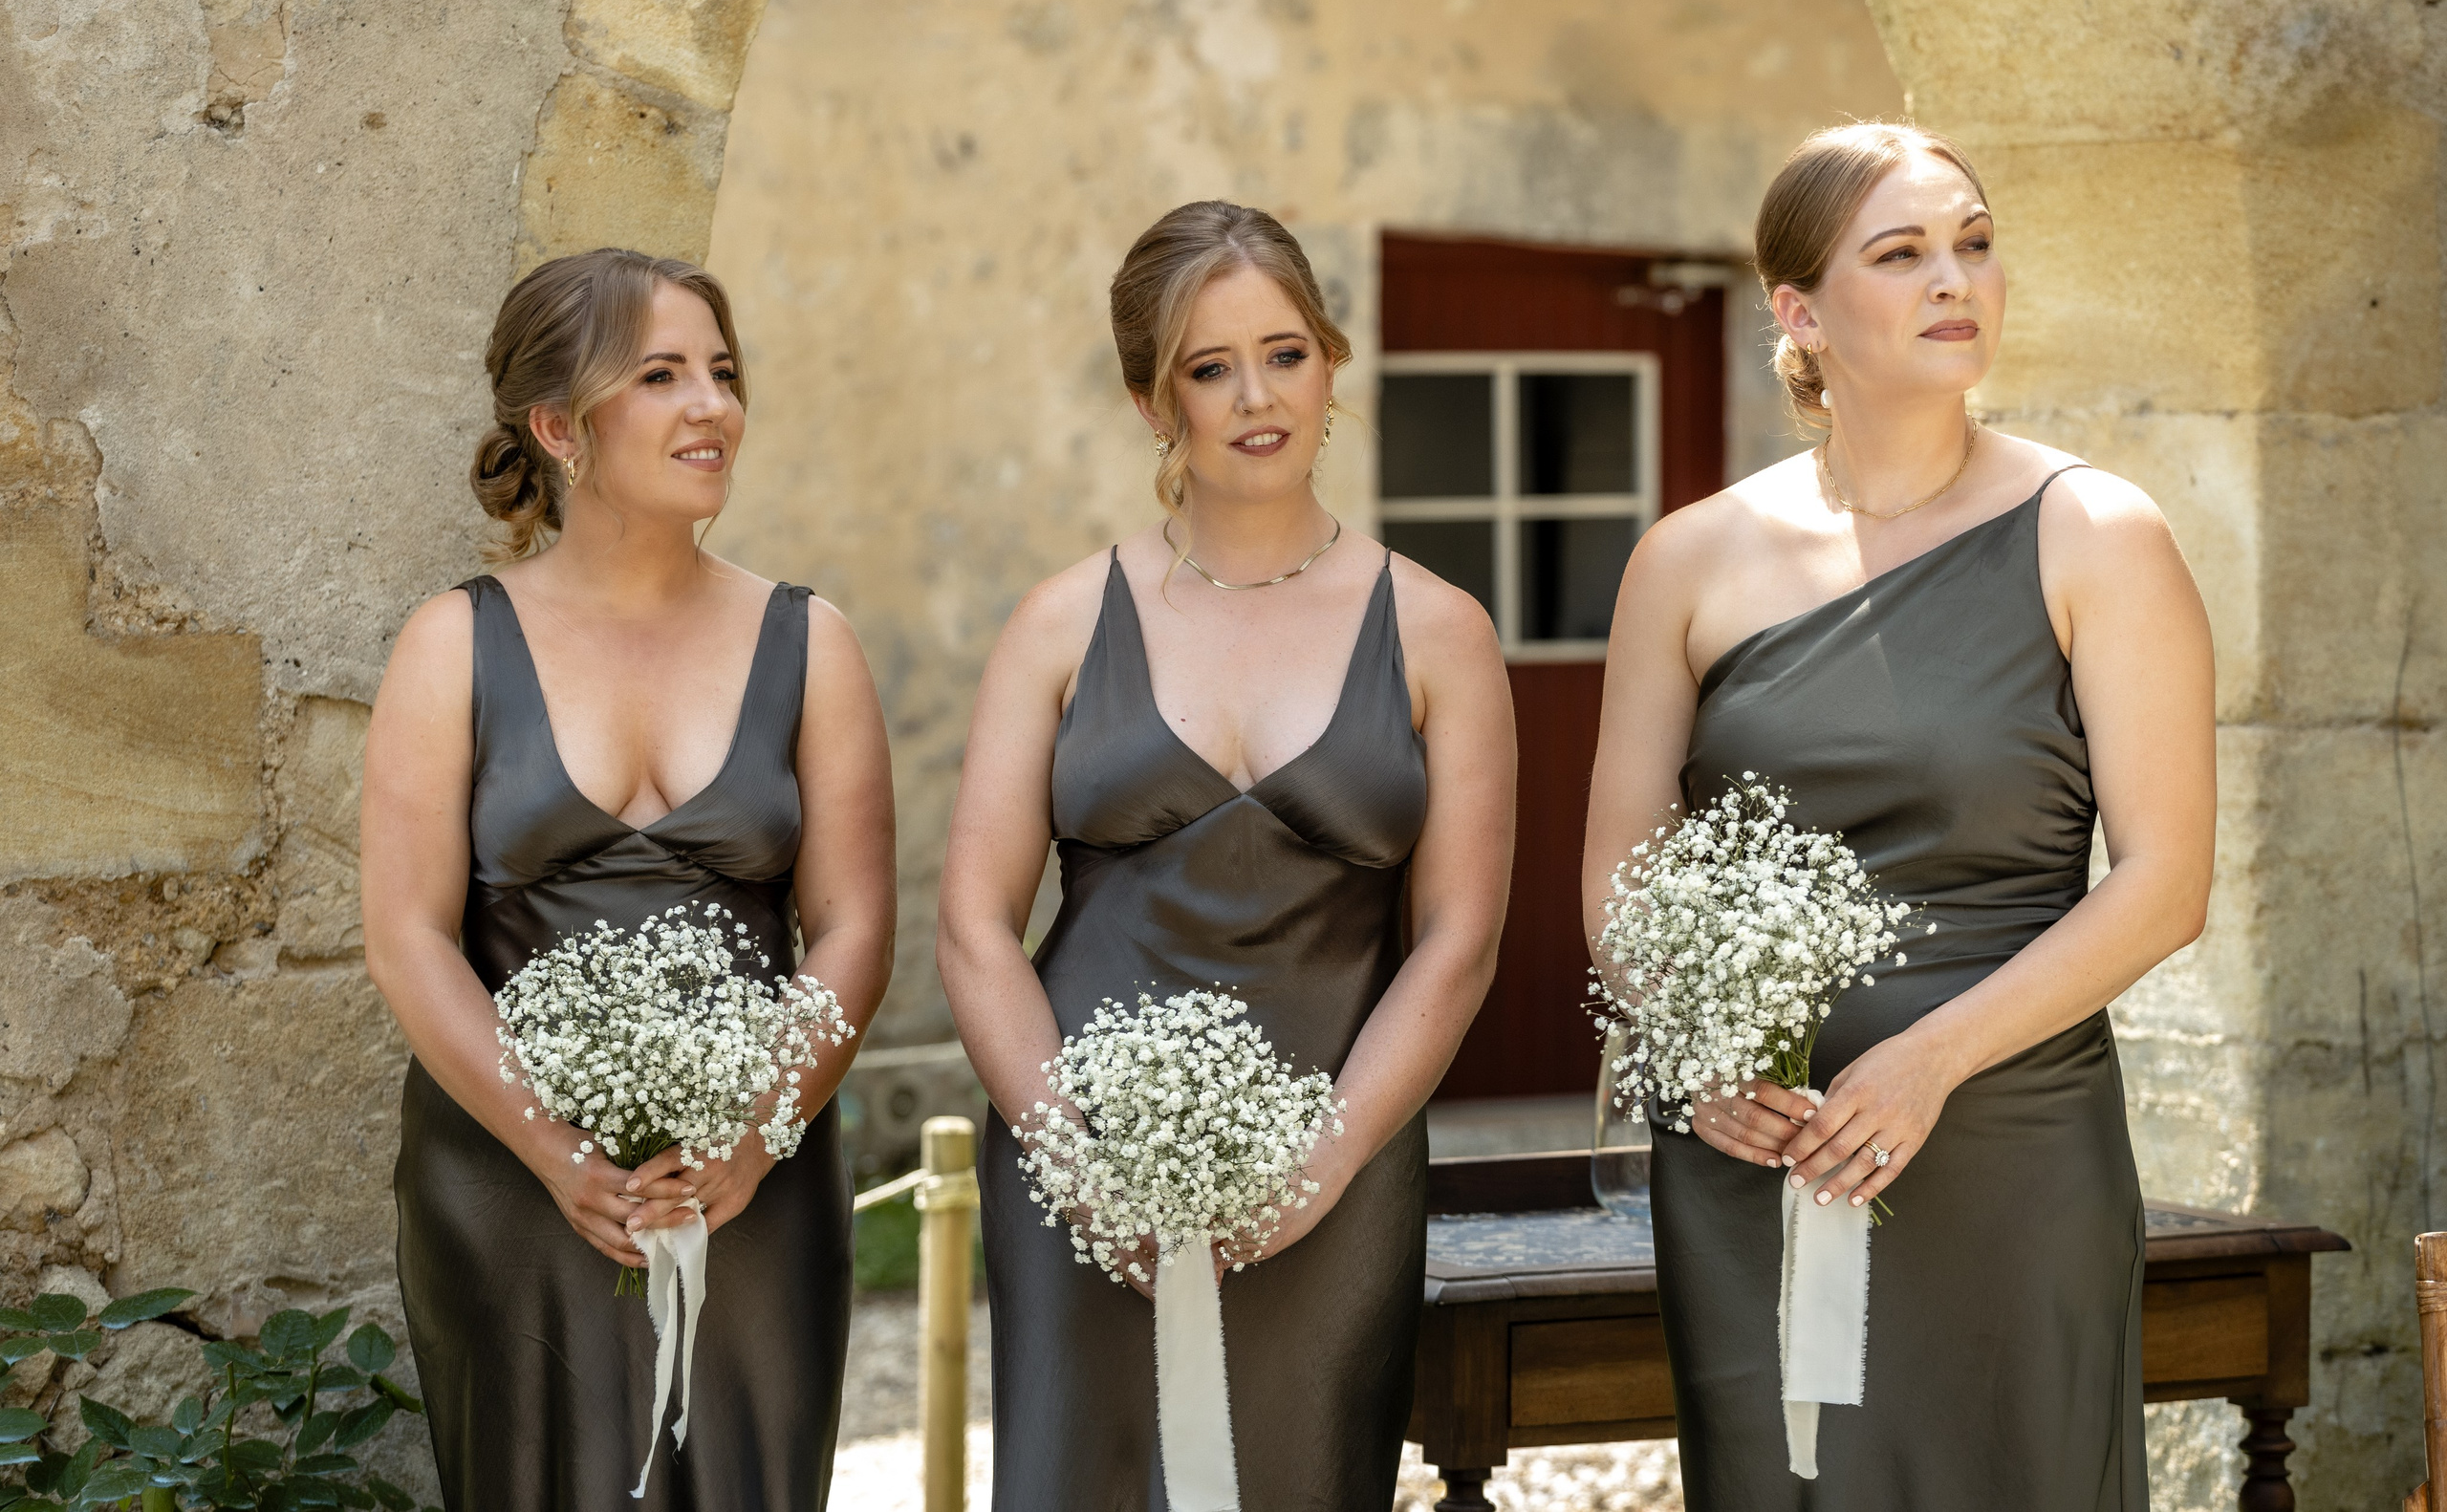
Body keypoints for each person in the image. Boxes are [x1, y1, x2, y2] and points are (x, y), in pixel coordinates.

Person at [1582, 124, 2214, 1509]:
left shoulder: (2097, 535)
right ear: (1798, 310)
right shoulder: (1686, 561)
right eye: (1904, 253)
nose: (1956, 280)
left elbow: (2167, 884)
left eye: (1974, 244)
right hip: (1753, 1159)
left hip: (2005, 1150)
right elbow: (1624, 879)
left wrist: (1925, 1066)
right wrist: (1696, 1059)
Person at [938, 200, 1515, 1510]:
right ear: (1155, 402)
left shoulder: (1439, 631)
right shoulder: (1059, 624)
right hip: (1082, 1160)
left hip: (1340, 1164)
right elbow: (974, 927)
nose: (1258, 397)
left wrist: (1323, 1165)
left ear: (1331, 361)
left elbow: (1459, 941)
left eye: (1286, 352)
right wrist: (1075, 1160)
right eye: (1210, 367)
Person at [360, 248, 895, 1510]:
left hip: (754, 1191)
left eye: (722, 373)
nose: (713, 406)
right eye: (661, 376)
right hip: (515, 1189)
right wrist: (558, 1156)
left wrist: (758, 1134)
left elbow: (857, 922)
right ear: (561, 426)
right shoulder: (455, 645)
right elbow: (407, 937)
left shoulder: (810, 642)